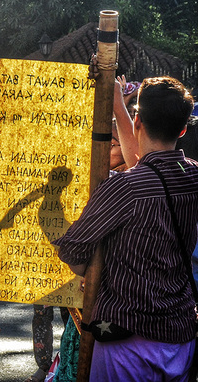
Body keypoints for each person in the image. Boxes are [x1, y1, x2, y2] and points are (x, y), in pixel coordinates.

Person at [52, 76, 198, 382]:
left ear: (137, 122)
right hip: (181, 338)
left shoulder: (124, 187)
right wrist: (119, 104)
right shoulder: (192, 176)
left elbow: (73, 252)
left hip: (127, 345)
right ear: (183, 129)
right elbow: (148, 167)